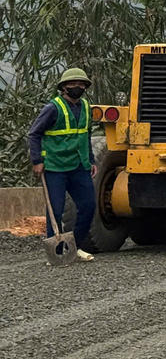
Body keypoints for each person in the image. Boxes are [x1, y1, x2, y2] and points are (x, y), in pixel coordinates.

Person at [29, 68, 97, 263]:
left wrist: (91, 160)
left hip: (79, 166)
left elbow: (86, 135)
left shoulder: (85, 106)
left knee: (88, 205)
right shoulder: (53, 108)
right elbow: (34, 134)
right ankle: (57, 251)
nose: (78, 87)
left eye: (82, 84)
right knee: (55, 211)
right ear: (64, 87)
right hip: (55, 167)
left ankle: (75, 246)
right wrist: (37, 161)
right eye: (74, 84)